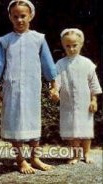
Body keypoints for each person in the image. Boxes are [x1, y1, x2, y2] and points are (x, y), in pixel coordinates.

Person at [0, 0, 58, 174]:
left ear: (31, 16)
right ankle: (20, 160)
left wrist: (53, 85)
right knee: (14, 120)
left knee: (33, 119)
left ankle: (34, 157)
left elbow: (48, 64)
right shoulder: (5, 41)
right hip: (12, 88)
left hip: (32, 86)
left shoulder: (38, 39)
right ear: (10, 17)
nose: (19, 20)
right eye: (15, 16)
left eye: (23, 16)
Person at [54, 28, 102, 164]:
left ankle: (86, 153)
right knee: (72, 130)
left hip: (84, 103)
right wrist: (55, 91)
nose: (71, 48)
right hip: (67, 103)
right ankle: (75, 155)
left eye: (74, 45)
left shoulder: (87, 64)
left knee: (85, 129)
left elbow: (93, 83)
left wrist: (94, 100)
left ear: (81, 44)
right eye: (67, 46)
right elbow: (56, 81)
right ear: (63, 46)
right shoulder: (60, 64)